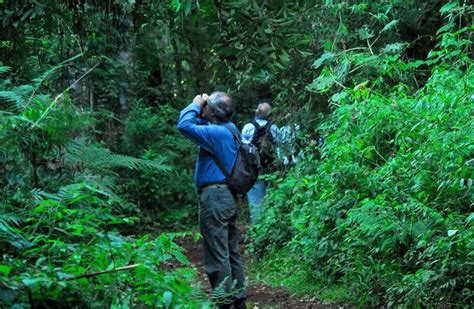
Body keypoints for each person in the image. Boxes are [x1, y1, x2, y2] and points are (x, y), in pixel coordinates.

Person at [177, 92, 246, 308]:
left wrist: (196, 103)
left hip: (215, 198)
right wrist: (205, 111)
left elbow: (184, 125)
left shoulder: (216, 134)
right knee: (230, 249)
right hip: (227, 197)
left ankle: (224, 301)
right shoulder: (230, 129)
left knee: (218, 252)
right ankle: (238, 298)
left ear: (213, 111)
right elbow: (197, 125)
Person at [241, 102, 278, 223]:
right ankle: (272, 224)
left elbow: (242, 147)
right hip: (272, 168)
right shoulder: (273, 127)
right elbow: (279, 145)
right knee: (273, 198)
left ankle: (258, 228)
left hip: (254, 169)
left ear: (257, 112)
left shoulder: (248, 127)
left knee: (256, 200)